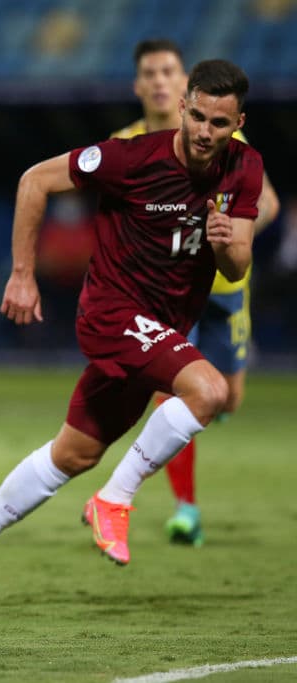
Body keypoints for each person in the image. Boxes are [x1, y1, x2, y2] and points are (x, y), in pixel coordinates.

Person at [0, 59, 262, 612]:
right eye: (198, 116)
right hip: (113, 314)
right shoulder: (129, 157)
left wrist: (225, 240)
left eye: (220, 123)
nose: (206, 132)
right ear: (182, 108)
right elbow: (34, 180)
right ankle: (115, 499)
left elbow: (235, 267)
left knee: (74, 453)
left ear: (238, 122)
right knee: (208, 391)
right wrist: (21, 274)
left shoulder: (244, 168)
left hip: (161, 329)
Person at [112, 39, 279, 546]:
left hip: (225, 287)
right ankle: (185, 507)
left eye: (169, 71)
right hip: (164, 294)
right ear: (139, 85)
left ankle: (203, 413)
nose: (160, 81)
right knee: (176, 393)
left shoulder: (231, 146)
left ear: (185, 85)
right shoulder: (125, 145)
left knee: (226, 399)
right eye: (151, 73)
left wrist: (233, 230)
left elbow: (266, 203)